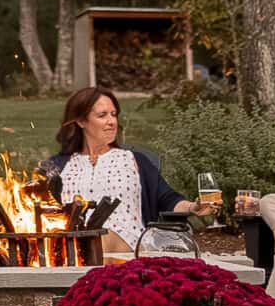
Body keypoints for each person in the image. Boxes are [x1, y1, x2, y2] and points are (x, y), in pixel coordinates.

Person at [38, 86, 192, 246]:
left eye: (114, 114)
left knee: (101, 236)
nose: (112, 122)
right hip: (71, 249)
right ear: (81, 121)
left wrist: (193, 207)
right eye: (102, 115)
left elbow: (167, 199)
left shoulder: (134, 160)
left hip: (127, 246)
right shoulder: (56, 167)